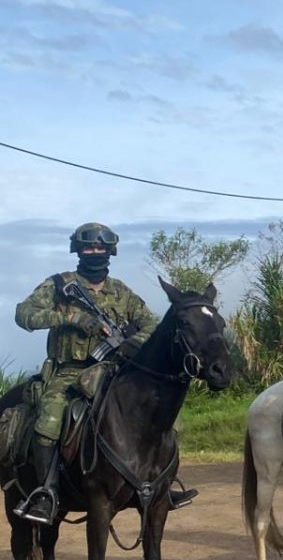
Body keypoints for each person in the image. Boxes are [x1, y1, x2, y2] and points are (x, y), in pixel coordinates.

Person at [12, 222, 192, 525]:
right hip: (70, 371)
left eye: (100, 247)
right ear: (78, 250)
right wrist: (71, 317)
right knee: (50, 418)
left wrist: (125, 341)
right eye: (88, 246)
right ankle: (45, 493)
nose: (94, 252)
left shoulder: (122, 292)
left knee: (157, 415)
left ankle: (161, 486)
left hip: (114, 370)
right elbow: (23, 314)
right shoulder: (59, 285)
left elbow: (151, 325)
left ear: (110, 251)